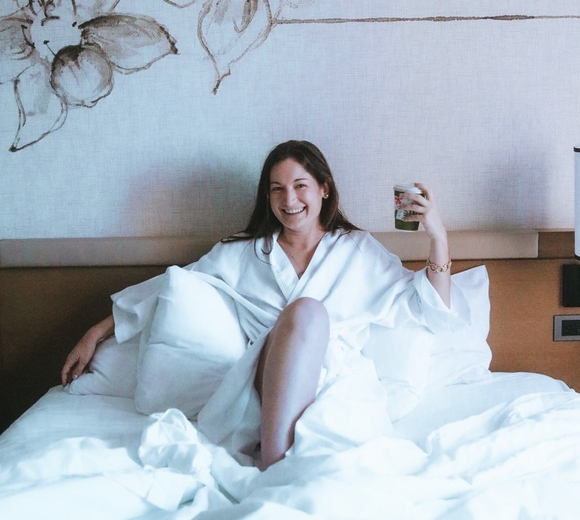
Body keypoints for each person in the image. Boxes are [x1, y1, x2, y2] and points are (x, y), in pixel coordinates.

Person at [62, 140, 454, 470]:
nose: (289, 199)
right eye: (277, 189)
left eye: (300, 186)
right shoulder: (243, 252)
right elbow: (172, 287)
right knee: (304, 312)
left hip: (338, 388)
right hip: (263, 385)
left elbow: (429, 306)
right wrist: (95, 332)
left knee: (309, 314)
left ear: (324, 189)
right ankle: (275, 464)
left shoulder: (358, 251)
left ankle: (279, 467)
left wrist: (437, 237)